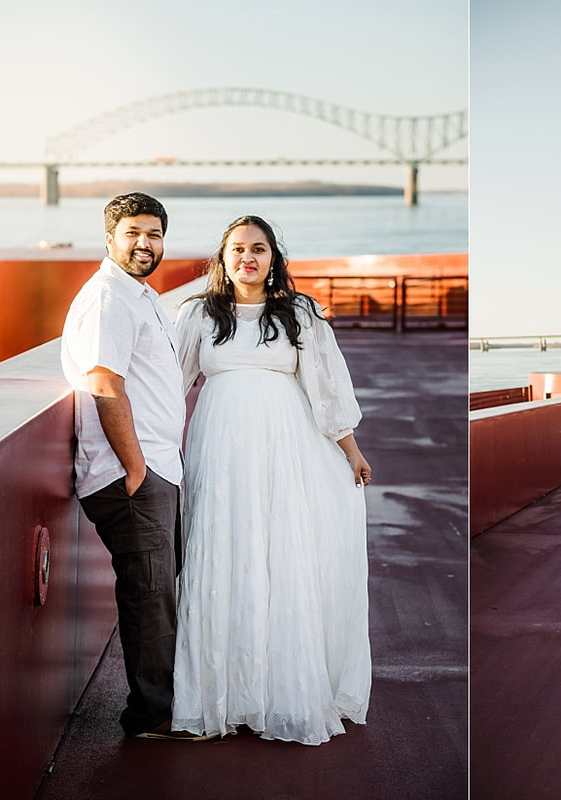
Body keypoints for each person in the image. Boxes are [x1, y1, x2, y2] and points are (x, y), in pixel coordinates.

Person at [171, 215, 372, 744]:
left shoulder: (299, 314)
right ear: (222, 258)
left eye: (258, 249)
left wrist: (349, 448)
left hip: (286, 449)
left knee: (279, 555)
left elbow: (325, 385)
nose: (247, 259)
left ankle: (282, 690)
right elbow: (170, 385)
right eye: (237, 249)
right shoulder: (196, 315)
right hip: (218, 449)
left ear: (273, 258)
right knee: (223, 552)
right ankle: (225, 695)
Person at [61, 193, 211, 740]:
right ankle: (153, 718)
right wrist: (135, 469)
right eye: (133, 234)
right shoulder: (108, 299)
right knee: (150, 596)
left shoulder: (140, 295)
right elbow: (104, 384)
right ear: (109, 238)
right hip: (131, 474)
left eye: (153, 234)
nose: (145, 244)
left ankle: (164, 706)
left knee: (159, 592)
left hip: (154, 468)